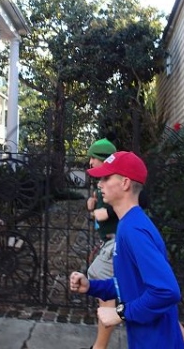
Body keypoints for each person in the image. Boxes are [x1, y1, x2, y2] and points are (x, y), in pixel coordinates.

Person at [70, 151, 184, 349]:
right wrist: (91, 287)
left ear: (125, 183)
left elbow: (167, 291)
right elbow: (129, 283)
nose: (100, 184)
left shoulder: (134, 230)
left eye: (106, 178)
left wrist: (119, 313)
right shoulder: (127, 224)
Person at [84, 137, 119, 349]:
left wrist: (108, 212)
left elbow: (138, 199)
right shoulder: (103, 181)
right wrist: (92, 204)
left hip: (116, 243)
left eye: (93, 158)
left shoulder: (116, 179)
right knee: (143, 291)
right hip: (109, 242)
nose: (90, 162)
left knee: (100, 281)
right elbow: (97, 204)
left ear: (103, 159)